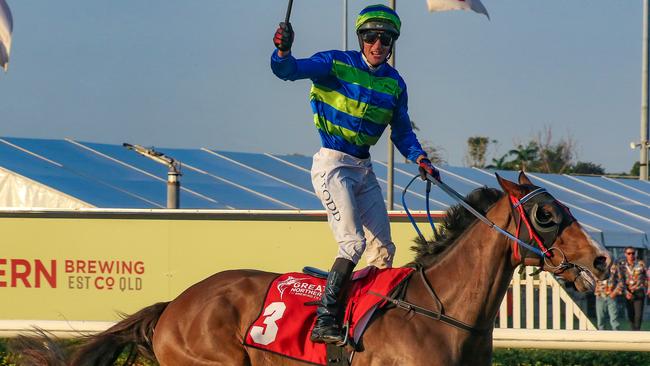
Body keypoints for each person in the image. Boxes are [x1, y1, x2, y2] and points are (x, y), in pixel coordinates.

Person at [271, 4, 440, 345]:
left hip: (363, 170)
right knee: (352, 243)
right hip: (333, 165)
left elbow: (402, 131)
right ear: (361, 38)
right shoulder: (334, 62)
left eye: (386, 39)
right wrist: (282, 49)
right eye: (371, 37)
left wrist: (419, 157)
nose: (378, 45)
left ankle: (372, 319)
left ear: (393, 43)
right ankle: (325, 320)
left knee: (383, 251)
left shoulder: (395, 83)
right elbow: (287, 70)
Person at [620, 247, 647, 330]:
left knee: (638, 315)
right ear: (625, 254)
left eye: (633, 253)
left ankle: (637, 331)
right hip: (628, 292)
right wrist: (625, 291)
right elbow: (620, 279)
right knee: (630, 314)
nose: (631, 255)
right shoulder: (622, 265)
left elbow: (647, 277)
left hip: (639, 290)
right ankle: (633, 331)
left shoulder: (641, 264)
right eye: (629, 253)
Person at [594, 263, 622, 330]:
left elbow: (621, 281)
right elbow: (592, 279)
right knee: (600, 320)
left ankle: (616, 337)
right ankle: (601, 337)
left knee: (614, 320)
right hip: (600, 295)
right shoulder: (596, 266)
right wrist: (596, 290)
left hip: (611, 296)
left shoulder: (615, 267)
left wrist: (615, 292)